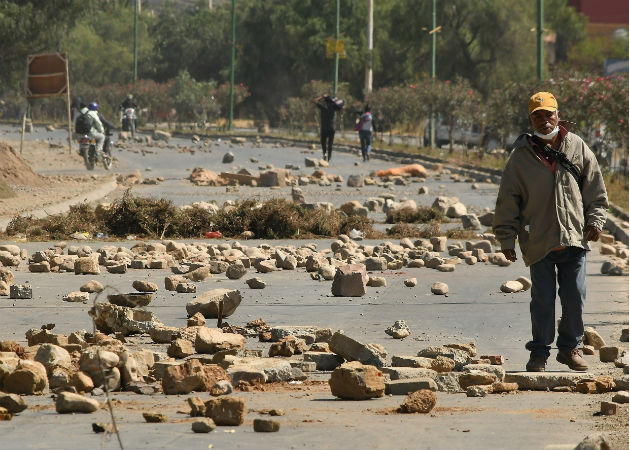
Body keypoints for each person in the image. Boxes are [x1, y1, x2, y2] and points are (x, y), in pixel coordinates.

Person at [492, 92, 608, 373]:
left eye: (548, 114)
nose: (544, 120)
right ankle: (540, 353)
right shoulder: (520, 156)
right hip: (538, 239)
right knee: (542, 300)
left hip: (573, 237)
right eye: (537, 116)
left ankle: (569, 349)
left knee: (575, 297)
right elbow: (509, 199)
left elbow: (595, 188)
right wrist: (506, 237)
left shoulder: (577, 146)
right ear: (530, 119)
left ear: (558, 115)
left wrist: (595, 220)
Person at [313, 94, 343, 161]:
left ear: (325, 101)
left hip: (324, 128)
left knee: (323, 142)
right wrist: (335, 100)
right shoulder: (334, 107)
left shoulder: (323, 106)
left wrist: (322, 97)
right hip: (332, 128)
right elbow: (342, 106)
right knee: (330, 144)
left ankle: (324, 154)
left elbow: (314, 101)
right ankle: (329, 158)